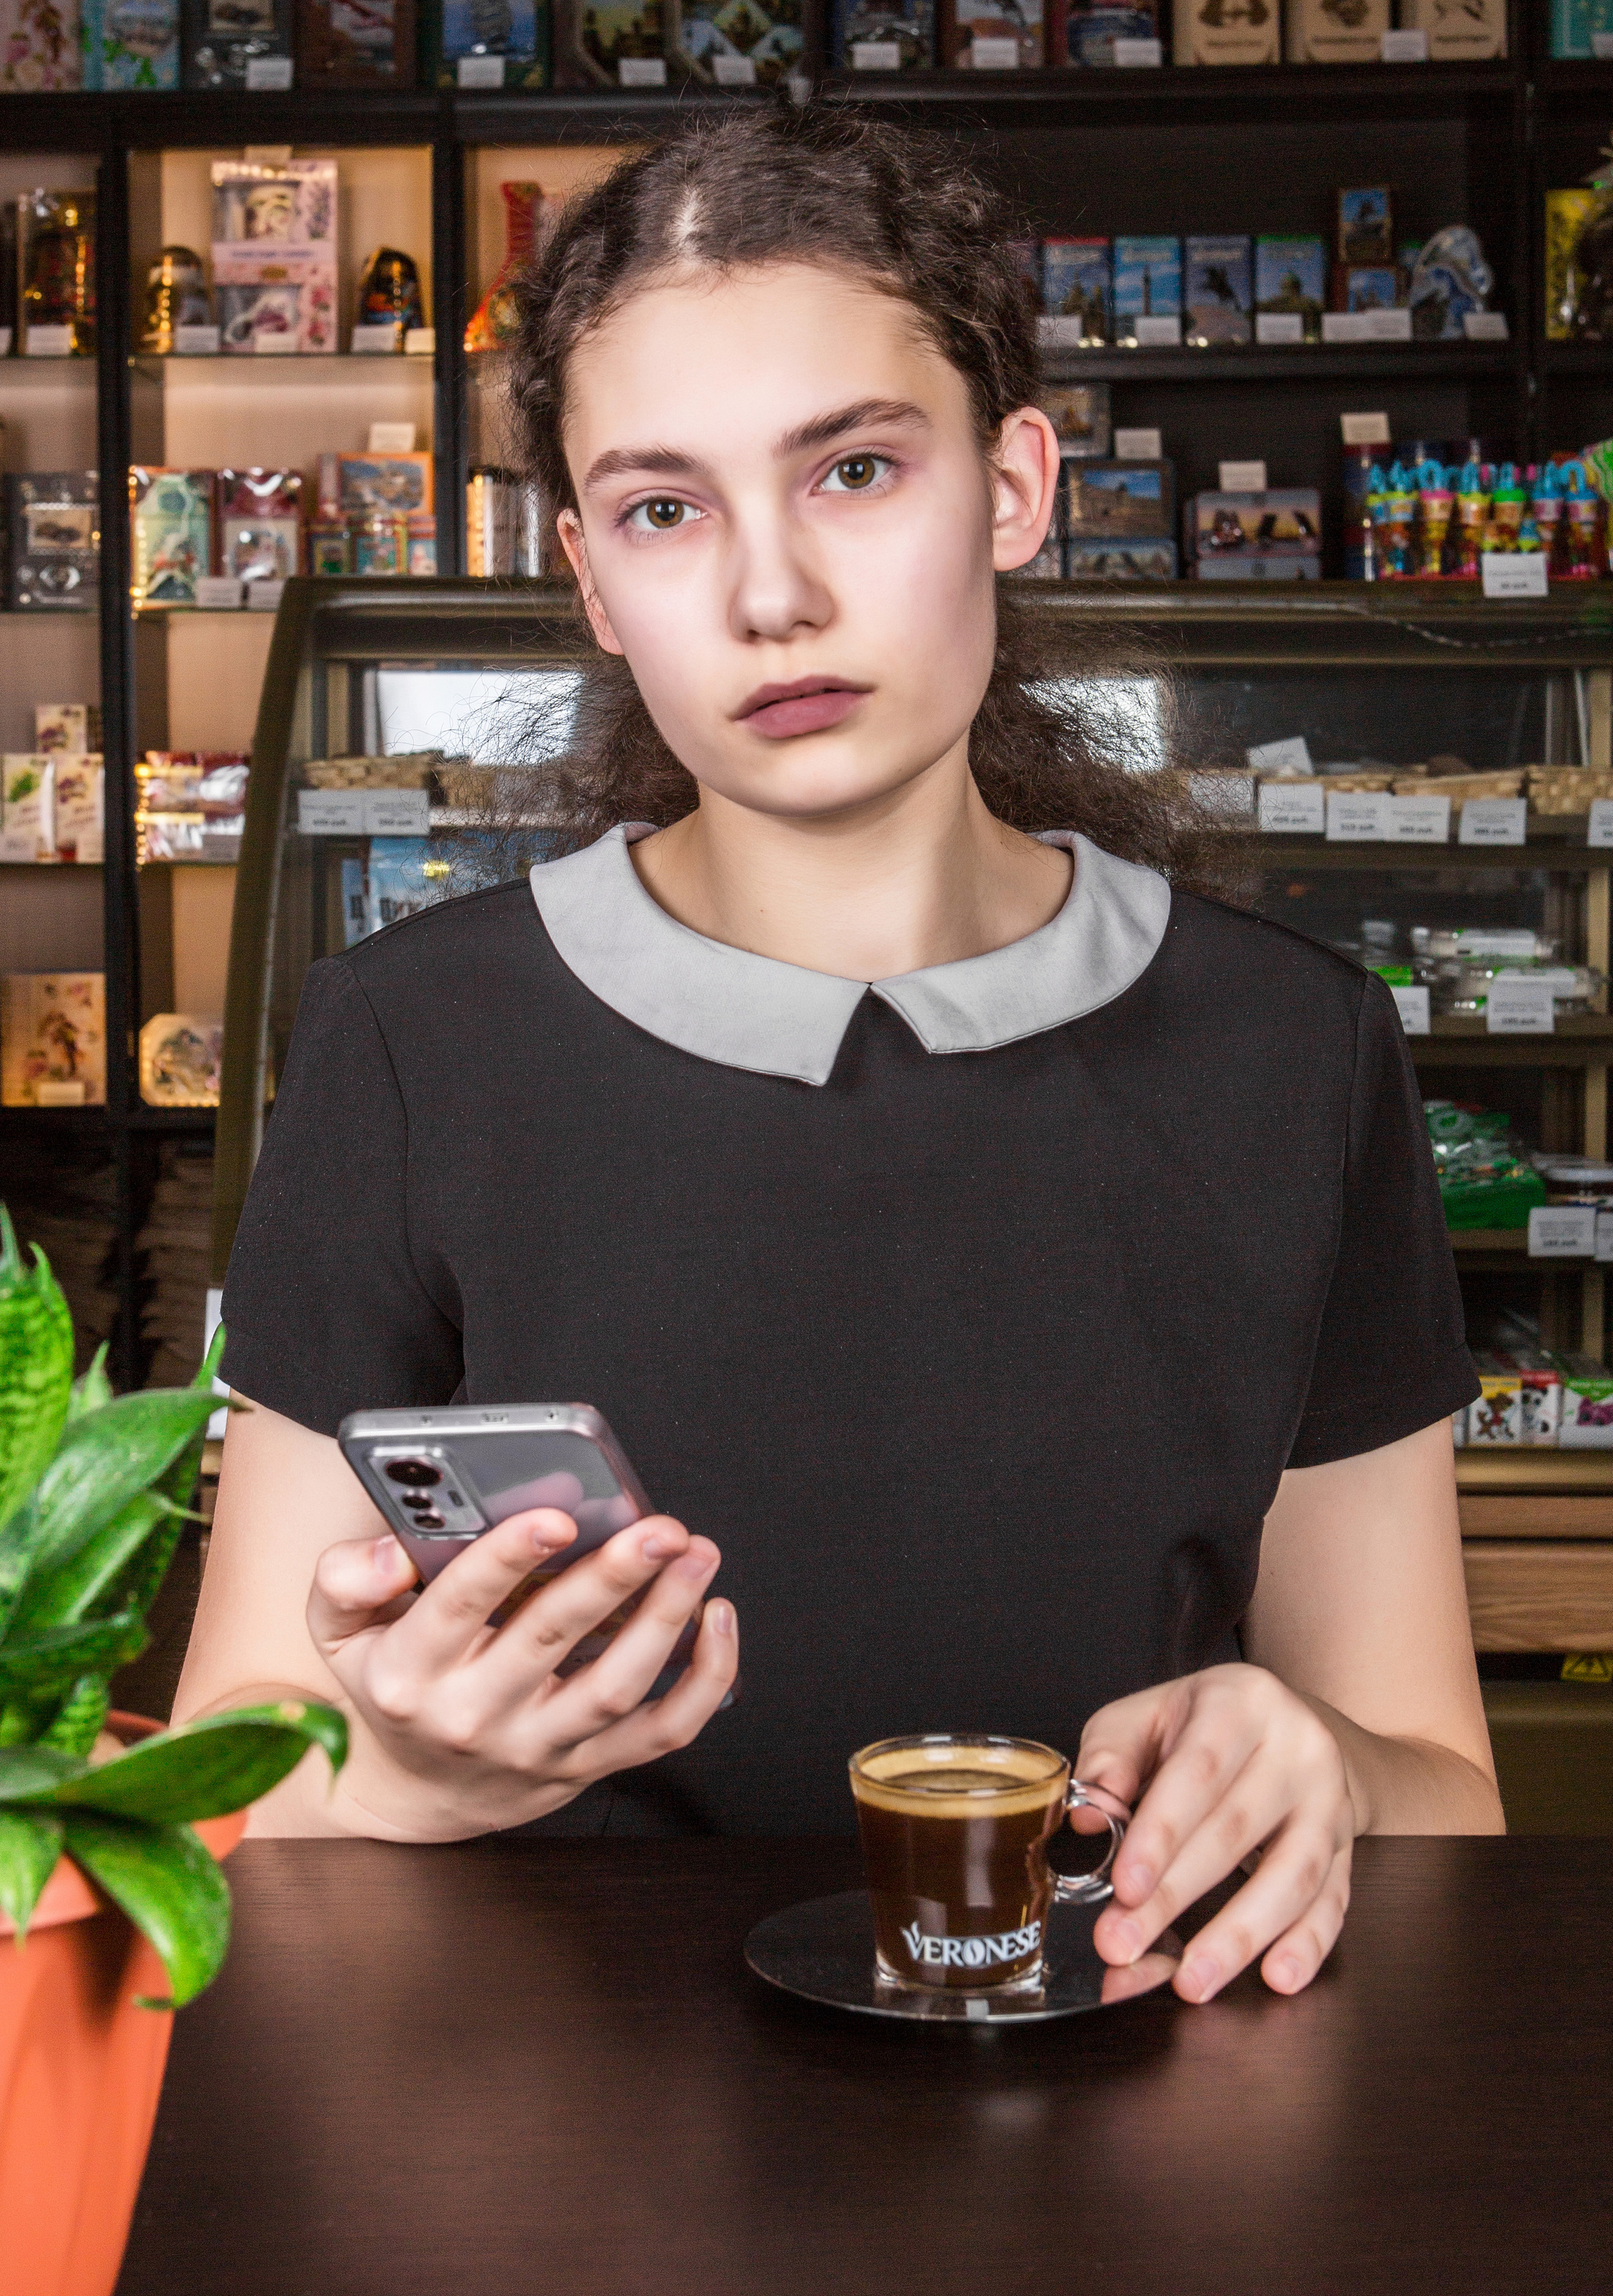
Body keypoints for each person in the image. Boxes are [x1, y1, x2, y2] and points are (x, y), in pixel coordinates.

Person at [177, 105, 1503, 2007]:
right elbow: (232, 1779)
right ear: (590, 580)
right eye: (662, 509)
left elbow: (1440, 1779)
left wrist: (1331, 1772)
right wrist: (412, 1765)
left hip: (1131, 2102)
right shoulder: (408, 1042)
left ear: (1015, 484)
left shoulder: (1294, 1049)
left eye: (858, 470)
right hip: (562, 2147)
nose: (770, 594)